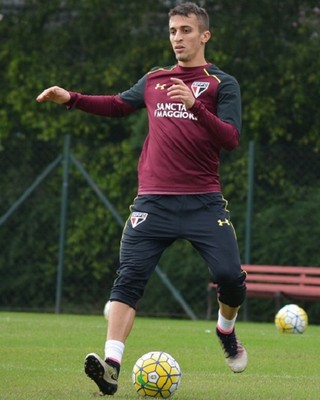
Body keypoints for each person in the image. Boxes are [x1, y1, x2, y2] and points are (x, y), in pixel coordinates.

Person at [37, 2, 247, 396]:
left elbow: (231, 139)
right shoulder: (155, 78)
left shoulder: (222, 83)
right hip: (153, 203)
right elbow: (119, 105)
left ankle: (226, 330)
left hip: (203, 202)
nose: (177, 38)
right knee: (129, 279)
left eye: (185, 30)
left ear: (204, 36)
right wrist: (71, 98)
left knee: (230, 279)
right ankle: (112, 366)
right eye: (172, 31)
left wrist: (195, 107)